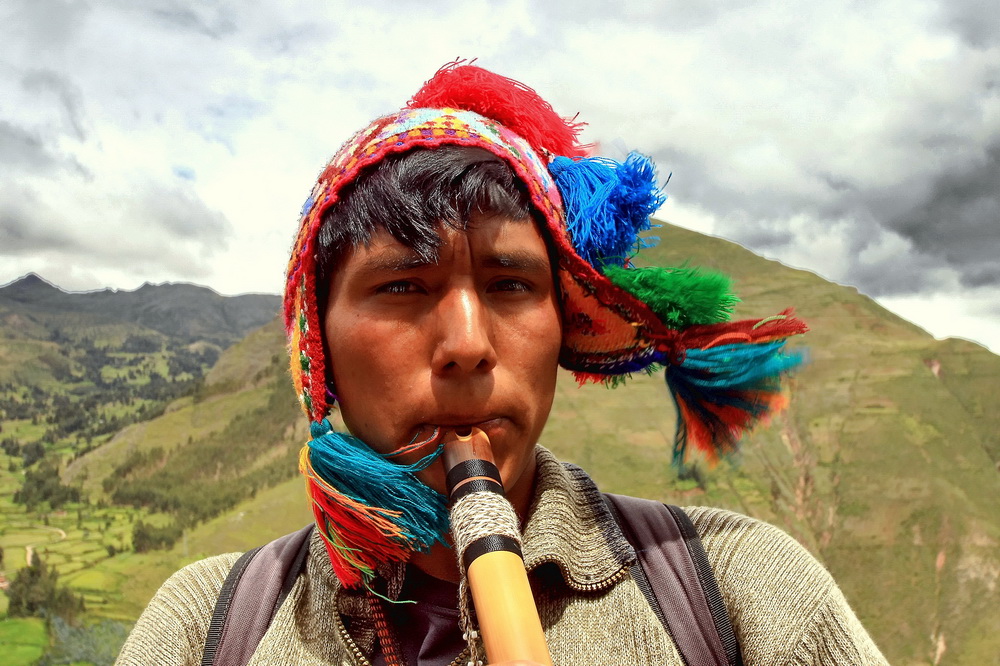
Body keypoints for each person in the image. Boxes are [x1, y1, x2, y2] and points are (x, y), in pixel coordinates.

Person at [116, 63, 888, 665]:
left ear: (561, 324)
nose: (467, 344)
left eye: (511, 285)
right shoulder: (203, 627)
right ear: (317, 351)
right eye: (401, 287)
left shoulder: (744, 594)